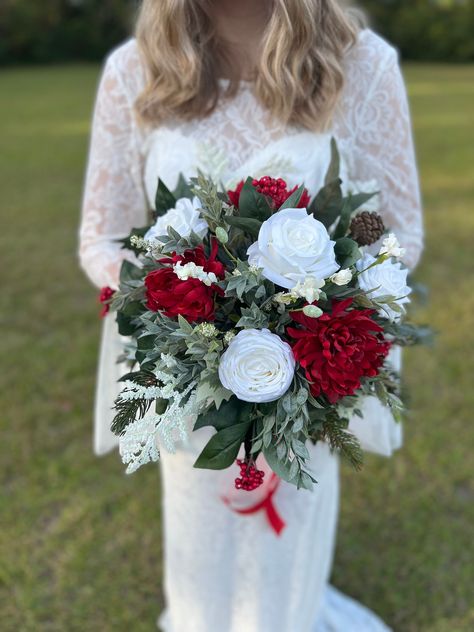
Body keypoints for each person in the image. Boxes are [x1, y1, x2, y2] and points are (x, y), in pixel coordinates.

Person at [79, 1, 424, 630]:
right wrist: (174, 314)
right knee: (198, 550)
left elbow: (396, 233)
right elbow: (101, 238)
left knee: (286, 560)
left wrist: (314, 326)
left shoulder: (362, 65)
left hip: (309, 381)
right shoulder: (137, 69)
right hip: (186, 375)